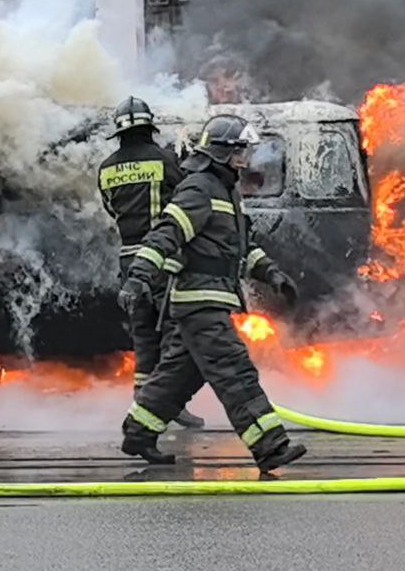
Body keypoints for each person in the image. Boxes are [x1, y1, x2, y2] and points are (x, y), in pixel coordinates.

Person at [117, 114, 306, 473]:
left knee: (179, 375)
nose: (245, 159)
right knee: (235, 372)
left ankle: (138, 434)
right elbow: (166, 232)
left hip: (212, 299)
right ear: (221, 153)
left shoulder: (226, 192)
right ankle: (269, 446)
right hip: (199, 301)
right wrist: (139, 276)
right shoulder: (199, 188)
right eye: (239, 153)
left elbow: (240, 248)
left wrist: (273, 274)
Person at [98, 97, 204, 429]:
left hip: (128, 262)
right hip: (163, 260)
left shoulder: (107, 168)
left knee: (144, 338)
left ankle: (143, 407)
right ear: (149, 128)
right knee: (175, 335)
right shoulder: (165, 160)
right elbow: (185, 198)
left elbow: (111, 210)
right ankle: (170, 404)